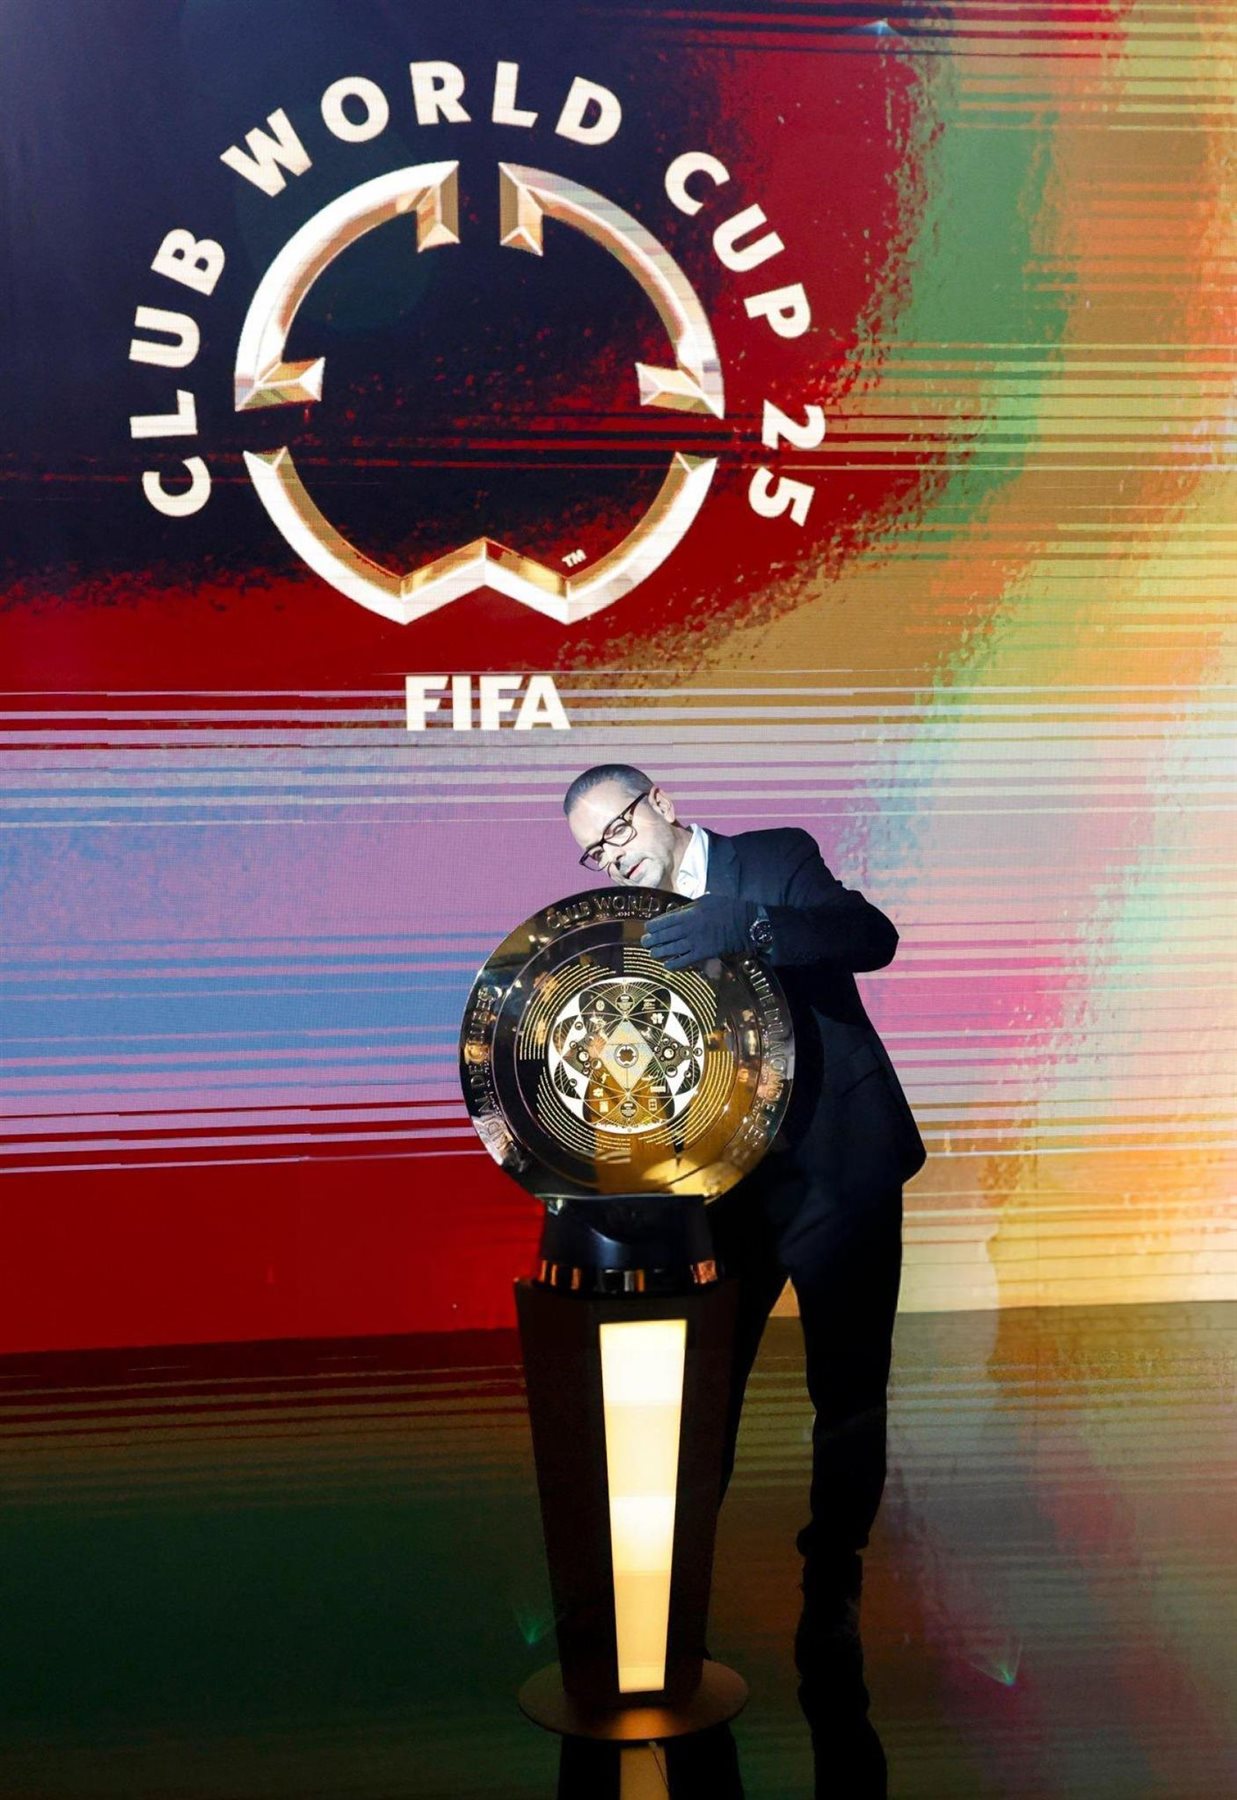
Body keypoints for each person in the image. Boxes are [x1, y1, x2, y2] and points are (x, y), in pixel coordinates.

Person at [562, 764, 925, 1726]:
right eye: (592, 851)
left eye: (617, 830)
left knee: (847, 1393)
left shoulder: (772, 859)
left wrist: (753, 928)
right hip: (726, 1197)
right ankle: (672, 1604)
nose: (612, 856)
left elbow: (870, 938)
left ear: (660, 804)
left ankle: (833, 1585)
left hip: (839, 1171)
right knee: (701, 1403)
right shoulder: (618, 924)